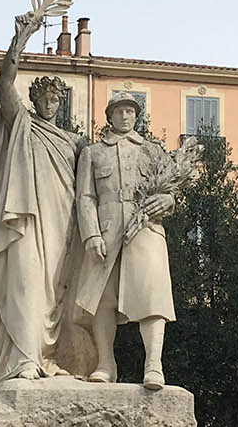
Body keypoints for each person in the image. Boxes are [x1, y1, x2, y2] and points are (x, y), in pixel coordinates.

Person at [0, 0, 88, 427]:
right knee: (26, 289)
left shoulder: (73, 144)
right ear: (36, 100)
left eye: (56, 98)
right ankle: (24, 359)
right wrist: (20, 40)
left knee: (57, 296)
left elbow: (89, 191)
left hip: (64, 228)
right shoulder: (21, 123)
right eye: (44, 97)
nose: (50, 103)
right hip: (26, 223)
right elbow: (4, 84)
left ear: (63, 103)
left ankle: (56, 358)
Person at [74, 93, 176, 389]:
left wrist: (168, 199)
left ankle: (154, 364)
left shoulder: (153, 151)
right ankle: (105, 362)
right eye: (119, 111)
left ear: (137, 115)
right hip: (106, 231)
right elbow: (85, 197)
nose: (125, 116)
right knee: (103, 299)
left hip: (146, 229)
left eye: (130, 111)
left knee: (152, 296)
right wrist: (91, 233)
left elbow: (171, 192)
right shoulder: (93, 153)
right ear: (110, 116)